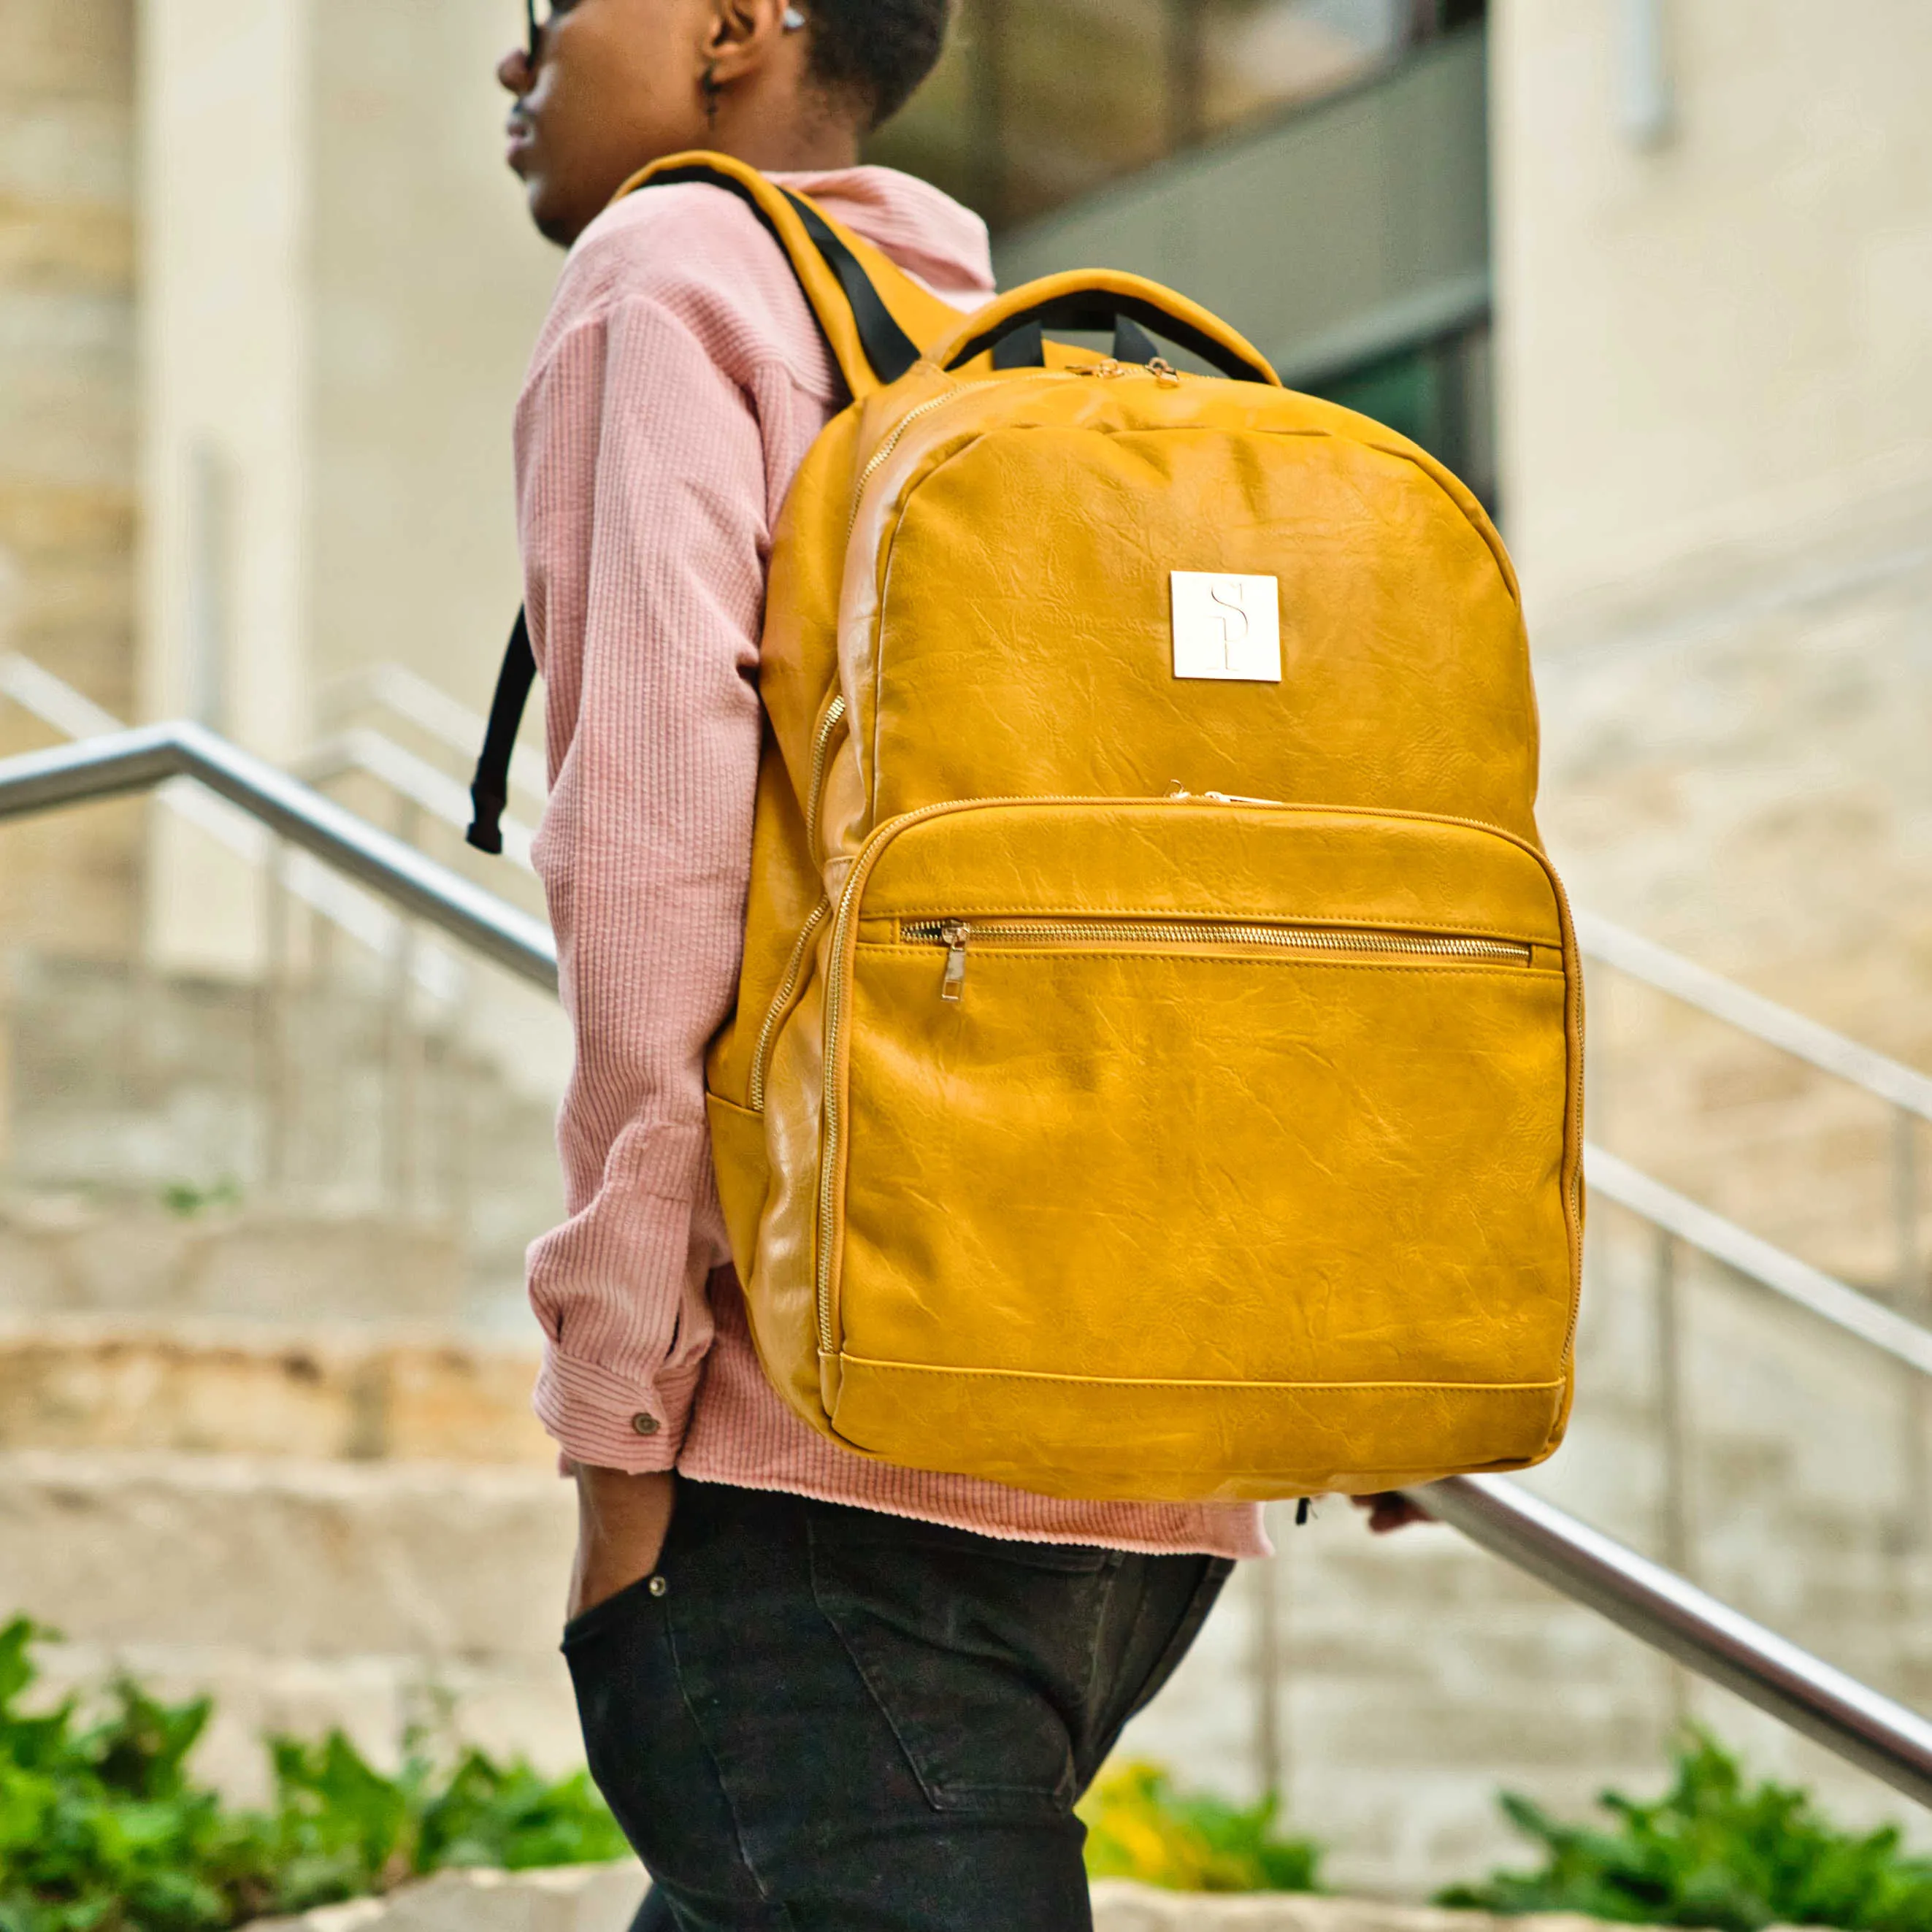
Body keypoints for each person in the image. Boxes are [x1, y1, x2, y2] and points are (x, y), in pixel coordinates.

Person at [497, 4, 1422, 1925]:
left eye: (549, 7)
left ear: (733, 26)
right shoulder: (1004, 337)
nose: (516, 61)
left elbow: (654, 878)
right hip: (1137, 1466)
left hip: (833, 1460)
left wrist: (618, 1427)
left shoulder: (670, 272)